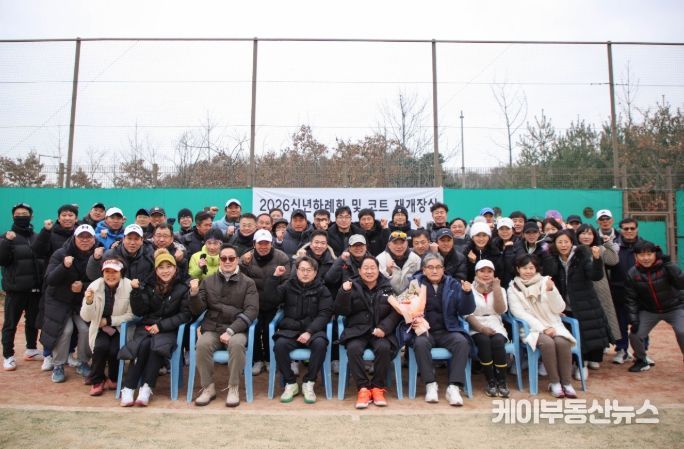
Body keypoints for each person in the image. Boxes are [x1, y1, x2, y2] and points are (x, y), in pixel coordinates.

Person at [118, 249, 192, 406]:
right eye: (161, 267)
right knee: (143, 344)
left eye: (169, 266)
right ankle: (128, 388)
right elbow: (140, 311)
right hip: (147, 326)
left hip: (168, 329)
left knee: (155, 347)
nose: (165, 271)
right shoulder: (148, 284)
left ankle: (146, 387)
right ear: (156, 270)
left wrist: (161, 326)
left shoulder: (183, 287)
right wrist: (135, 292)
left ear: (175, 268)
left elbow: (185, 315)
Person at [189, 244, 259, 407]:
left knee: (237, 344)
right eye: (224, 258)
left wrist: (231, 330)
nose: (227, 261)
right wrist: (194, 294)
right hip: (213, 327)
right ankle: (208, 388)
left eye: (231, 258)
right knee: (202, 344)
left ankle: (233, 387)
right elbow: (197, 310)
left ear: (237, 260)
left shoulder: (248, 283)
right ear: (220, 260)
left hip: (237, 329)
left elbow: (252, 311)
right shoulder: (208, 281)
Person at [407, 253, 475, 405]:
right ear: (424, 270)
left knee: (462, 342)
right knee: (420, 343)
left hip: (448, 330)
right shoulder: (415, 284)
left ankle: (454, 387)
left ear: (443, 269)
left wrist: (467, 294)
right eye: (430, 267)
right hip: (425, 330)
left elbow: (466, 310)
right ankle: (430, 384)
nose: (434, 271)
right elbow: (407, 307)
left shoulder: (453, 284)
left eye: (438, 267)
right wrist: (413, 320)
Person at [335, 256, 401, 409]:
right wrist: (344, 293)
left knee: (384, 348)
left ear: (378, 270)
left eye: (373, 268)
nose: (369, 271)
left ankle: (378, 387)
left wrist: (384, 328)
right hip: (357, 331)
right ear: (359, 271)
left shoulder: (388, 288)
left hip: (380, 331)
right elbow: (340, 310)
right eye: (366, 268)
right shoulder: (351, 286)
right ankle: (363, 388)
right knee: (353, 349)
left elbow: (396, 312)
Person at [507, 254, 578, 398]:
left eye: (531, 268)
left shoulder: (546, 282)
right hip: (532, 328)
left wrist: (551, 291)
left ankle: (566, 383)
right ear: (518, 269)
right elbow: (519, 313)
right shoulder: (513, 288)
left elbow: (559, 308)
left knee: (563, 342)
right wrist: (543, 329)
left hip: (553, 324)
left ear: (536, 269)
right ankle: (555, 382)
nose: (528, 271)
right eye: (524, 268)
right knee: (548, 343)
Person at [543, 230, 610, 381]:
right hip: (563, 307)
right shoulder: (553, 259)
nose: (563, 245)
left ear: (572, 242)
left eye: (566, 241)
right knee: (568, 337)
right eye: (560, 242)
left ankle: (582, 365)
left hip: (584, 304)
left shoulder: (582, 256)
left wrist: (597, 259)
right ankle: (573, 363)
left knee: (585, 336)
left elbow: (596, 275)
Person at [266, 256, 333, 403]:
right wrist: (274, 278)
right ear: (296, 271)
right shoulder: (288, 286)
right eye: (302, 269)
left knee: (320, 344)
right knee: (280, 345)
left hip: (313, 331)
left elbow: (325, 314)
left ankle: (309, 382)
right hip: (291, 330)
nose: (305, 273)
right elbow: (271, 299)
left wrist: (309, 331)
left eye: (309, 270)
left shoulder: (323, 290)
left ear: (315, 272)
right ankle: (290, 383)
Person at [41, 224, 97, 383]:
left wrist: (83, 287)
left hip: (81, 303)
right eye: (81, 237)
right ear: (74, 238)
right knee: (65, 330)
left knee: (86, 329)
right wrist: (64, 267)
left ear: (94, 239)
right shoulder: (61, 254)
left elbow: (101, 281)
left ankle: (83, 362)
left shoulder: (97, 255)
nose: (85, 240)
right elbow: (50, 279)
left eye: (88, 237)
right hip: (59, 300)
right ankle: (58, 364)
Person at [625, 241, 684, 372]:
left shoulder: (666, 266)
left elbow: (681, 283)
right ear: (636, 256)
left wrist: (669, 264)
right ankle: (641, 360)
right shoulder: (632, 273)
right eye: (641, 255)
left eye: (649, 254)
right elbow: (631, 299)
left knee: (682, 331)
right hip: (650, 310)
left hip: (674, 307)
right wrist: (634, 319)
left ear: (655, 254)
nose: (645, 258)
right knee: (635, 335)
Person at [239, 229, 291, 376]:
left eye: (266, 243)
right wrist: (243, 263)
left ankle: (269, 359)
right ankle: (257, 360)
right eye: (260, 243)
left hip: (274, 302)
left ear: (271, 243)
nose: (263, 247)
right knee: (254, 329)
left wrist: (276, 297)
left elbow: (286, 281)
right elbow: (240, 280)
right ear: (254, 244)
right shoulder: (247, 258)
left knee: (270, 329)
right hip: (253, 303)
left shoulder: (281, 257)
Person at [80, 257, 134, 396]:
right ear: (102, 273)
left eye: (114, 272)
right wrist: (89, 302)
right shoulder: (94, 286)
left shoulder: (129, 286)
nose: (110, 275)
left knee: (115, 349)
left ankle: (113, 378)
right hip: (99, 328)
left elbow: (131, 315)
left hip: (120, 328)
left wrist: (109, 321)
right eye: (107, 271)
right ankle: (97, 380)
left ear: (121, 273)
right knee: (100, 347)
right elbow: (86, 317)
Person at [1, 203, 45, 370]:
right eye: (18, 214)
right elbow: (2, 260)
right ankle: (8, 355)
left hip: (35, 289)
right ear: (13, 216)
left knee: (32, 322)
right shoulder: (6, 237)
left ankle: (31, 349)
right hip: (15, 290)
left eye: (25, 213)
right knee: (10, 324)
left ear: (31, 216)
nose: (21, 216)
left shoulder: (37, 237)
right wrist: (6, 242)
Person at [575, 223, 621, 362]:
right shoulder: (574, 250)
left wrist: (608, 244)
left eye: (590, 233)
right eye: (583, 233)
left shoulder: (599, 249)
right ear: (577, 235)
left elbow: (613, 261)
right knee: (586, 323)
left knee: (599, 322)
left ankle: (596, 356)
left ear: (594, 236)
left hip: (600, 290)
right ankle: (584, 356)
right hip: (581, 291)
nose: (586, 236)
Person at [467, 259, 509, 397]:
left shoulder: (500, 289)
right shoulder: (469, 289)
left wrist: (496, 289)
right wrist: (481, 328)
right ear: (476, 273)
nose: (486, 274)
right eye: (482, 271)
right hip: (476, 323)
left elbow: (501, 310)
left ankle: (502, 381)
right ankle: (490, 381)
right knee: (484, 341)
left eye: (489, 271)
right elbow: (467, 313)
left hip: (494, 321)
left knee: (498, 341)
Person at [608, 217, 644, 365]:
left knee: (641, 323)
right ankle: (621, 350)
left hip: (641, 291)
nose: (629, 231)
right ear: (621, 230)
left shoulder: (645, 246)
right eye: (626, 228)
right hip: (619, 290)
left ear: (637, 229)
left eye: (632, 228)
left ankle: (641, 353)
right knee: (620, 323)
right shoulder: (614, 246)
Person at [491, 217, 518, 288]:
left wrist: (509, 249)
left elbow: (512, 268)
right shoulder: (494, 244)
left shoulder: (519, 244)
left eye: (507, 229)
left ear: (513, 231)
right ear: (497, 231)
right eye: (501, 229)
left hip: (513, 285)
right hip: (497, 284)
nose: (504, 231)